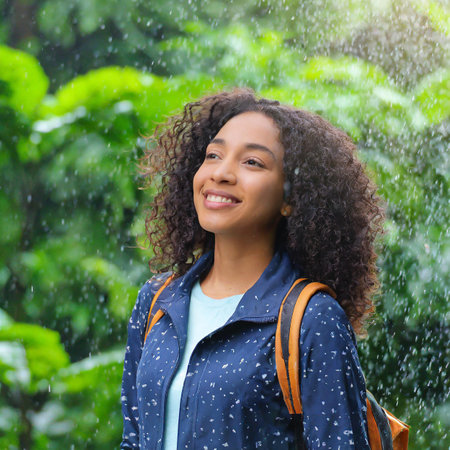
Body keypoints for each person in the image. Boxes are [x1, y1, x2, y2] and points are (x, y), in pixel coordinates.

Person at [121, 89, 384, 449]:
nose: (222, 173)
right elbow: (134, 439)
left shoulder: (312, 319)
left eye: (252, 163)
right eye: (213, 155)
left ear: (291, 199)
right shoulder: (157, 301)